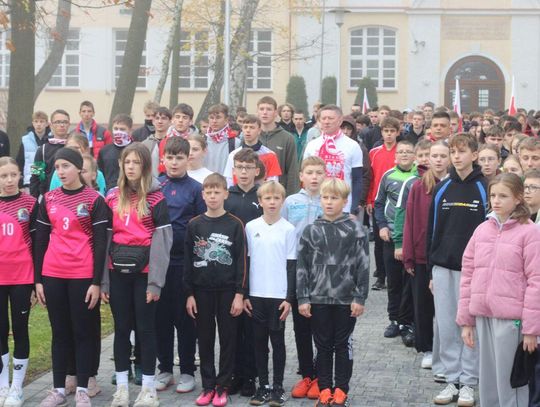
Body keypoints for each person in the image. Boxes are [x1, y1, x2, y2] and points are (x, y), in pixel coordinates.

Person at [457, 173, 540, 407]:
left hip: (512, 320)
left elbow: (536, 280)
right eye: (493, 195)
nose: (496, 200)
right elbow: (468, 275)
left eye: (503, 196)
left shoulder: (530, 232)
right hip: (483, 315)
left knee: (510, 384)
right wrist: (466, 321)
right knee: (488, 382)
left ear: (518, 198)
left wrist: (531, 329)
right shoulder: (482, 230)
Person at [34, 147, 108, 407]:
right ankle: (58, 390)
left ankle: (83, 390)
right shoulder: (49, 199)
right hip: (53, 273)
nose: (61, 172)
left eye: (65, 166)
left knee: (82, 332)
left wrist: (96, 282)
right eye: (57, 168)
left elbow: (101, 244)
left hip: (82, 275)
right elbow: (40, 240)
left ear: (78, 168)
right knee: (60, 332)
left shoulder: (94, 200)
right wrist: (38, 280)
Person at [101, 143, 173, 407]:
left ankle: (149, 390)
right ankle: (122, 388)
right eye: (126, 162)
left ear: (145, 166)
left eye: (136, 162)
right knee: (121, 329)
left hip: (145, 274)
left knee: (145, 329)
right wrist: (104, 280)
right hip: (117, 272)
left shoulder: (156, 198)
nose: (130, 167)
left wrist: (155, 282)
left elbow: (163, 241)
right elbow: (105, 240)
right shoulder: (111, 197)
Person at [296, 178, 369, 407]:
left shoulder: (356, 230)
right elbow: (302, 267)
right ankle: (325, 388)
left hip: (346, 299)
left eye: (334, 198)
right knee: (323, 346)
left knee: (343, 345)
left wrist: (360, 297)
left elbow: (363, 265)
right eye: (325, 197)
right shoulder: (311, 230)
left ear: (345, 201)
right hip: (318, 298)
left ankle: (341, 389)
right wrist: (303, 297)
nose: (329, 202)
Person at [428, 133, 488, 407]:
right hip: (443, 267)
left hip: (473, 271)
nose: (456, 156)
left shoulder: (484, 188)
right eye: (453, 152)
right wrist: (431, 269)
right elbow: (432, 231)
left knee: (469, 326)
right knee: (447, 326)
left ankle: (469, 383)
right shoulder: (442, 188)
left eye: (462, 152)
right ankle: (451, 379)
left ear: (474, 155)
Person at [184, 173, 247, 407]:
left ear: (225, 194)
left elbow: (242, 261)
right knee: (205, 339)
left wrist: (239, 294)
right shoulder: (194, 224)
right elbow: (188, 261)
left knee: (228, 339)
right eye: (208, 192)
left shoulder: (235, 224)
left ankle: (223, 386)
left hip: (228, 291)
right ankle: (208, 386)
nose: (212, 196)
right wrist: (189, 294)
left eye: (217, 192)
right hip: (201, 292)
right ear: (203, 195)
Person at [154, 137, 206, 393]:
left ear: (188, 159)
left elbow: (202, 228)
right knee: (160, 318)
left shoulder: (196, 189)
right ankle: (164, 369)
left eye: (179, 158)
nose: (174, 162)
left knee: (185, 319)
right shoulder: (155, 187)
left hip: (183, 263)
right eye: (170, 158)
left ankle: (187, 371)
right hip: (158, 263)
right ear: (163, 159)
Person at [244, 181, 296, 407]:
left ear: (282, 201)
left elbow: (292, 265)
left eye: (276, 198)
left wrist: (289, 298)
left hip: (278, 295)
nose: (272, 202)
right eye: (268, 198)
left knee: (277, 341)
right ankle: (263, 385)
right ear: (260, 201)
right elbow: (246, 262)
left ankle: (278, 386)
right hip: (256, 294)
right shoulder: (250, 227)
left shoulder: (289, 229)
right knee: (258, 342)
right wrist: (245, 294)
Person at [401, 141, 450, 370]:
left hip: (446, 255)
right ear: (428, 158)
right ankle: (427, 348)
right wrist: (408, 255)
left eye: (443, 155)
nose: (438, 160)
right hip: (421, 255)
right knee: (423, 306)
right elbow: (409, 221)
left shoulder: (454, 186)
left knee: (446, 306)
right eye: (434, 156)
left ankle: (446, 348)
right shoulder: (418, 187)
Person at [282, 156, 326, 400]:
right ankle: (307, 373)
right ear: (301, 176)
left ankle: (321, 374)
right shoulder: (290, 202)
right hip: (298, 268)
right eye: (309, 172)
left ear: (325, 175)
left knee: (321, 323)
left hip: (322, 270)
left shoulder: (329, 200)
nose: (314, 177)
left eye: (319, 172)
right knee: (301, 324)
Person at [224, 149, 263, 398]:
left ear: (256, 171)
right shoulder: (228, 198)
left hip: (256, 267)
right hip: (231, 269)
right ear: (234, 170)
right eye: (240, 167)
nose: (244, 172)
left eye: (248, 167)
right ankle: (234, 374)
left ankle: (251, 375)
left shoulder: (262, 197)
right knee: (232, 327)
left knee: (252, 327)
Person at [0, 157, 37, 407]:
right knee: (1, 330)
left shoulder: (31, 204)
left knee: (20, 329)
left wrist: (36, 282)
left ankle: (17, 388)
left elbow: (39, 244)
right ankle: (3, 385)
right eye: (4, 176)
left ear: (20, 175)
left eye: (13, 175)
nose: (9, 180)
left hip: (23, 277)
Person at [374, 140, 417, 343]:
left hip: (412, 238)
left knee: (410, 282)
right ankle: (394, 319)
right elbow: (379, 203)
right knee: (393, 282)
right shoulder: (388, 175)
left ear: (415, 156)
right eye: (401, 152)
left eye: (409, 151)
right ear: (395, 156)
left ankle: (407, 321)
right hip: (390, 236)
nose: (405, 154)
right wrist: (382, 225)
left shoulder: (420, 177)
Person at [303, 105, 363, 215]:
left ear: (340, 121)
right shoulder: (312, 145)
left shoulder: (353, 146)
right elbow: (305, 176)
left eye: (330, 118)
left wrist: (353, 208)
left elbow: (357, 179)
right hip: (316, 206)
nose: (326, 122)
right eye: (323, 118)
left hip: (343, 207)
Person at [367, 116, 399, 290]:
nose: (389, 134)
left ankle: (396, 275)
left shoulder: (401, 151)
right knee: (379, 242)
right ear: (381, 132)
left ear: (397, 133)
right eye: (386, 131)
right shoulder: (374, 152)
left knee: (396, 238)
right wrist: (369, 200)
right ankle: (381, 276)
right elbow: (371, 178)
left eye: (392, 131)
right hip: (378, 202)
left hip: (396, 202)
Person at [257, 96, 300, 195]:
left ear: (276, 113)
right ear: (257, 112)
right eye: (261, 109)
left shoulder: (287, 138)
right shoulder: (250, 137)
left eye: (269, 109)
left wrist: (291, 196)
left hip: (278, 194)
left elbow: (292, 170)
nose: (265, 112)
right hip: (254, 193)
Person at [224, 115, 281, 187]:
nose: (248, 130)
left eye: (252, 127)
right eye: (245, 127)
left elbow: (273, 183)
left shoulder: (270, 155)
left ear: (259, 131)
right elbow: (229, 182)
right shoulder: (233, 155)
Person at [29, 109, 71, 199]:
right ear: (51, 125)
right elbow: (35, 176)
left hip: (72, 196)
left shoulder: (74, 147)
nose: (62, 125)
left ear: (69, 124)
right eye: (58, 122)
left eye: (65, 122)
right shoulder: (42, 150)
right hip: (49, 197)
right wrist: (34, 200)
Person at [157, 103, 198, 175]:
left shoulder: (197, 142)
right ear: (172, 120)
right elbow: (162, 167)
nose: (180, 120)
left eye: (185, 117)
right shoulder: (164, 142)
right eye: (177, 117)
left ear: (191, 121)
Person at [98, 114, 134, 193]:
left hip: (132, 192)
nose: (118, 132)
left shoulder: (137, 150)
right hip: (109, 192)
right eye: (116, 128)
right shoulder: (104, 150)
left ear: (130, 130)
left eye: (122, 129)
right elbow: (100, 174)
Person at [16, 111, 49, 191]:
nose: (38, 124)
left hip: (47, 181)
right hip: (29, 181)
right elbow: (20, 161)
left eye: (41, 121)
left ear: (47, 124)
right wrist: (20, 183)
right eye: (36, 121)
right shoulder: (26, 140)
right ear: (33, 123)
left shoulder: (51, 139)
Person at [204, 103, 240, 174]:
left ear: (226, 120)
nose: (214, 121)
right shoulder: (202, 141)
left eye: (218, 117)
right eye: (211, 118)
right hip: (205, 180)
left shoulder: (235, 142)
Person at [141, 106, 172, 177]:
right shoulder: (145, 144)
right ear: (153, 121)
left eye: (163, 118)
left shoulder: (175, 143)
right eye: (157, 118)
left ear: (170, 122)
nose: (160, 121)